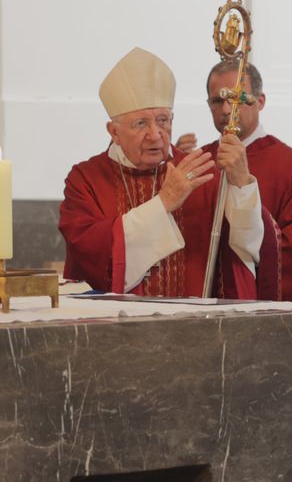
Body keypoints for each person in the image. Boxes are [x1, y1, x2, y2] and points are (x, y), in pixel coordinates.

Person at [58, 47, 277, 298]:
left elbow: (246, 248)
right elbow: (89, 254)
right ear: (114, 132)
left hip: (191, 321)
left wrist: (242, 186)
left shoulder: (201, 173)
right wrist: (163, 203)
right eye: (141, 123)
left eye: (163, 120)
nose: (155, 135)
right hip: (114, 321)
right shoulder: (86, 180)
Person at [195, 61, 292, 303]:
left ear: (260, 101)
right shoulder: (200, 162)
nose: (226, 110)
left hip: (259, 311)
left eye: (235, 99)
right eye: (217, 101)